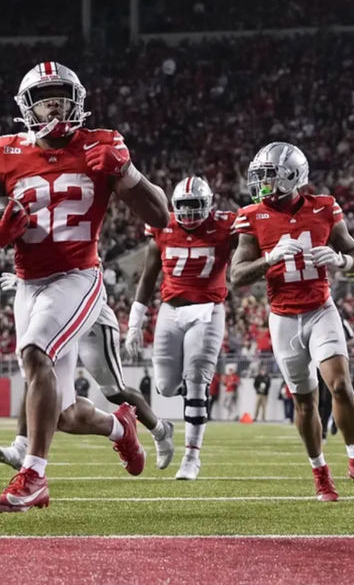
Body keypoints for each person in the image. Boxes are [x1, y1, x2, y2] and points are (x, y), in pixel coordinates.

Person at [0, 61, 169, 512]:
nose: (55, 107)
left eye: (62, 98)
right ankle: (122, 428)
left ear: (78, 101)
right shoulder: (2, 152)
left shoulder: (102, 144)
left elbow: (161, 218)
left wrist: (131, 175)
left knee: (35, 352)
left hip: (78, 275)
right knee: (59, 413)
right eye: (45, 101)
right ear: (28, 109)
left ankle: (34, 476)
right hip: (28, 283)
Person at [230, 141, 354, 501]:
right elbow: (237, 276)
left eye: (270, 177)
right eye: (260, 177)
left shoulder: (325, 207)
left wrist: (341, 261)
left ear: (294, 176)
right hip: (283, 318)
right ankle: (320, 473)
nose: (263, 185)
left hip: (320, 309)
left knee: (342, 385)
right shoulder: (252, 215)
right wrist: (269, 260)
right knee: (304, 402)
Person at [0, 273, 175, 471]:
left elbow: (75, 260)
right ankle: (22, 446)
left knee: (114, 391)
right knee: (40, 376)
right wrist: (29, 280)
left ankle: (159, 429)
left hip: (91, 317)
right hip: (57, 310)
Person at [125, 176, 236, 480]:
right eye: (183, 207)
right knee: (166, 386)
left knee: (197, 380)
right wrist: (136, 321)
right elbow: (148, 277)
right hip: (170, 311)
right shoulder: (163, 227)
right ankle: (179, 413)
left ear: (208, 205)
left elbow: (251, 243)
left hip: (207, 309)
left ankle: (191, 456)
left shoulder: (226, 226)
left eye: (194, 206)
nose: (188, 214)